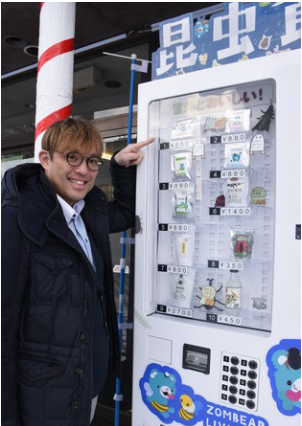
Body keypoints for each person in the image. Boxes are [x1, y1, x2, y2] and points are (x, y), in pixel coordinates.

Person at [1, 117, 154, 426]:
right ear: (45, 159)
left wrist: (121, 167)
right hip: (40, 397)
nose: (83, 170)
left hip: (85, 383)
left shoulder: (89, 213)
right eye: (72, 157)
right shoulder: (16, 221)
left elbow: (125, 213)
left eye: (93, 161)